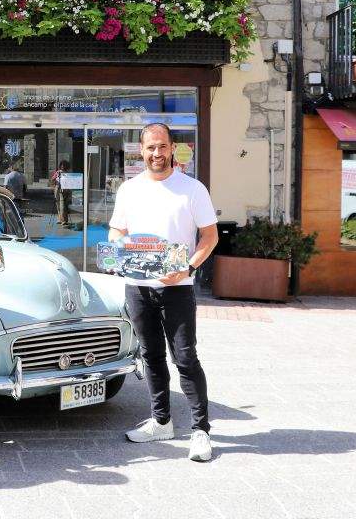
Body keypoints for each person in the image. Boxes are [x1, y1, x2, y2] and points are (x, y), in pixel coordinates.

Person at [108, 123, 219, 462]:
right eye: (150, 148)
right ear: (141, 151)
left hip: (177, 289)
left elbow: (210, 236)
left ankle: (200, 431)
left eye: (162, 146)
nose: (156, 153)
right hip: (139, 288)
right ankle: (161, 422)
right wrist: (119, 253)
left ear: (172, 148)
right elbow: (117, 231)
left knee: (185, 358)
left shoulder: (192, 189)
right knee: (151, 356)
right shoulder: (129, 189)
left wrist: (188, 269)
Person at [51, 160, 72, 225]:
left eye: (64, 166)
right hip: (57, 188)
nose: (62, 167)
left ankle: (64, 220)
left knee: (63, 205)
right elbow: (52, 179)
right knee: (58, 204)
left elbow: (70, 182)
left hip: (65, 189)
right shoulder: (58, 172)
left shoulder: (68, 173)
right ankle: (60, 219)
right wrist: (56, 178)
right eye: (61, 165)